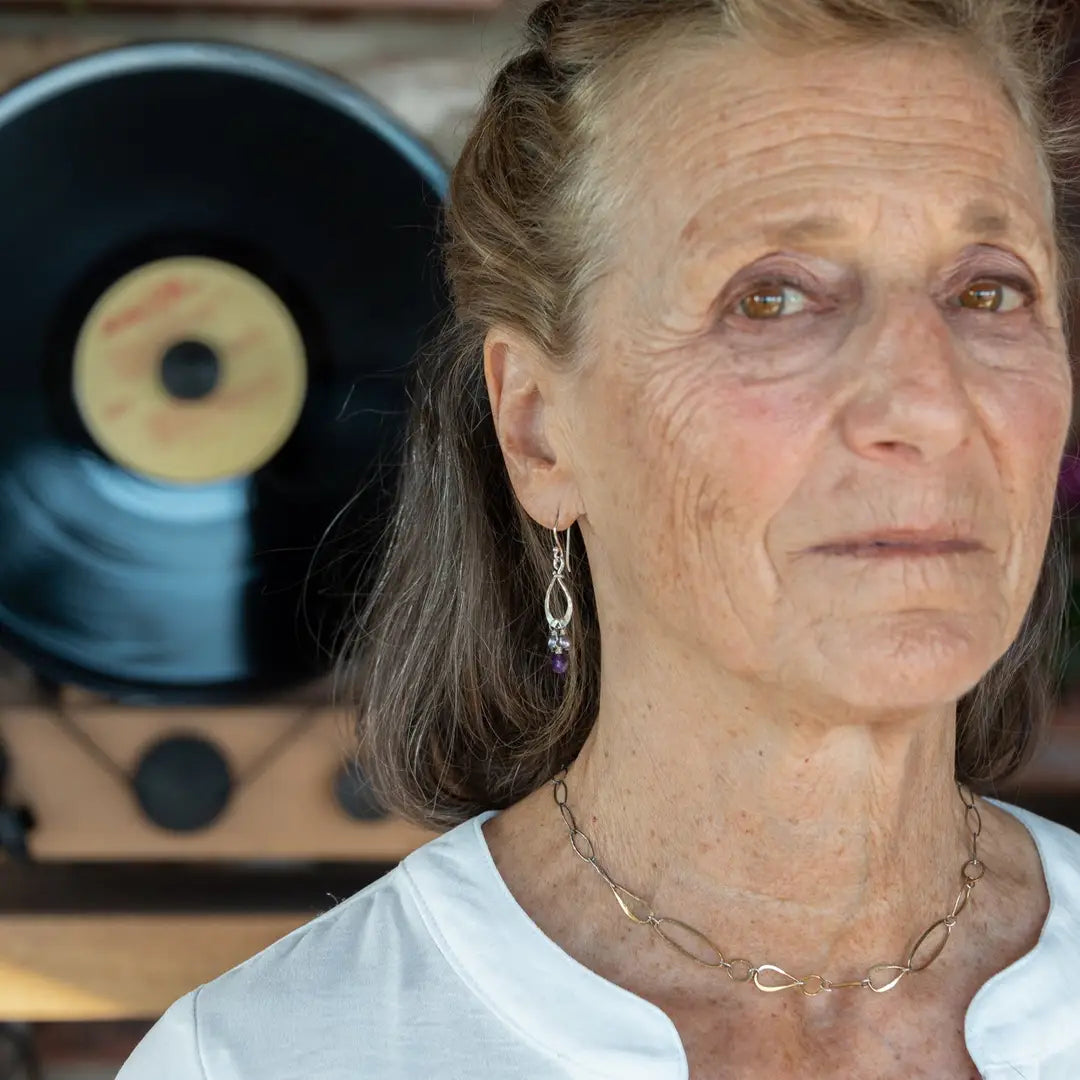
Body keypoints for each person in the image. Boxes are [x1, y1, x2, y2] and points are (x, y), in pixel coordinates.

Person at [117, 0, 1080, 1077]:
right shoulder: (267, 1060)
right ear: (536, 429)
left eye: (990, 290)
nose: (932, 403)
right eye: (772, 298)